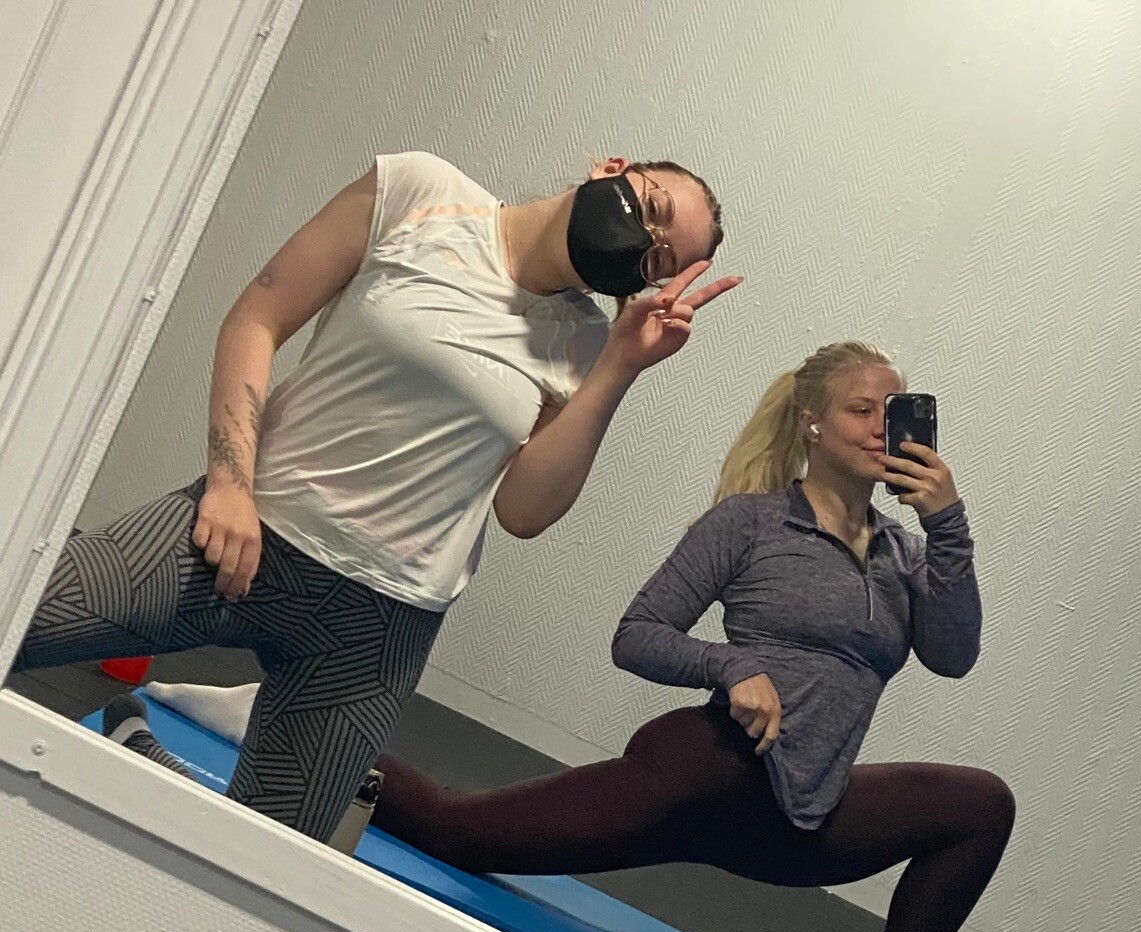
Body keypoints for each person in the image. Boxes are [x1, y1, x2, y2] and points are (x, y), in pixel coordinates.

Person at [138, 342, 1014, 932]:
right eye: (862, 408)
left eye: (894, 409)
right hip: (704, 777)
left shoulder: (905, 554)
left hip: (803, 817)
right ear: (812, 423)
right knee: (461, 831)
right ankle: (276, 718)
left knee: (979, 805)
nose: (882, 425)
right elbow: (638, 633)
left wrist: (946, 522)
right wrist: (731, 664)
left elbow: (953, 652)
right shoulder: (749, 524)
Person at [10, 150, 740, 842]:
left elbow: (522, 512)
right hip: (242, 536)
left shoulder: (586, 340)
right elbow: (258, 317)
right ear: (611, 169)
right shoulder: (421, 192)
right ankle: (150, 738)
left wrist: (618, 367)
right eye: (652, 208)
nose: (642, 239)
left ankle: (144, 748)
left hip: (376, 629)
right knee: (19, 611)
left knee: (259, 859)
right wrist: (230, 484)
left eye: (658, 259)